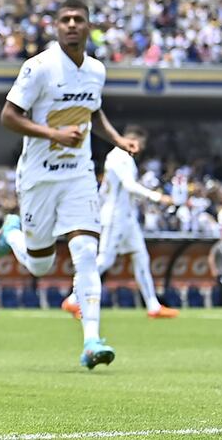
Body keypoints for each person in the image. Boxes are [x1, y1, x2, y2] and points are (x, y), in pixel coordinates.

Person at [0, 0, 140, 370]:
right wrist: (52, 133)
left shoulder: (96, 70)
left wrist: (117, 139)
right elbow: (9, 116)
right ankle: (12, 233)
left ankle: (92, 340)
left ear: (89, 27)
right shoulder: (39, 67)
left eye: (79, 19)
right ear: (56, 27)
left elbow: (93, 109)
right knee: (40, 266)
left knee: (86, 254)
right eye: (65, 19)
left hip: (79, 175)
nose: (72, 24)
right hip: (39, 178)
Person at [61, 126, 178, 319]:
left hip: (127, 217)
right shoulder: (119, 157)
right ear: (131, 140)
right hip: (115, 216)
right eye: (138, 144)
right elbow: (129, 186)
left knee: (141, 256)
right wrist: (157, 197)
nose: (138, 149)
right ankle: (73, 299)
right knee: (105, 259)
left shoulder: (122, 158)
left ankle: (153, 305)